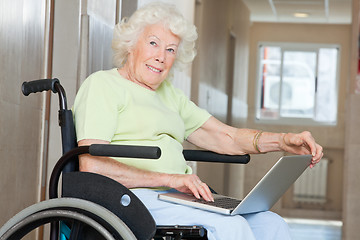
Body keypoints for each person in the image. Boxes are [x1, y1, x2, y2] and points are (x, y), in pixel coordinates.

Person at [73, 2, 323, 240]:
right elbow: (93, 166)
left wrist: (284, 141)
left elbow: (226, 137)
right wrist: (169, 179)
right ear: (131, 45)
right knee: (231, 226)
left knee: (271, 223)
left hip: (175, 197)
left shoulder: (169, 95)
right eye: (153, 43)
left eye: (170, 49)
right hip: (130, 198)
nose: (161, 56)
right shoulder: (103, 85)